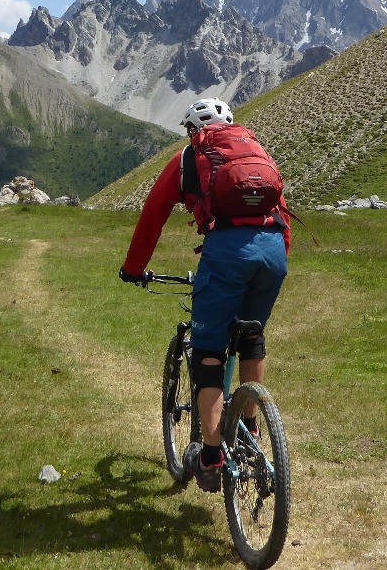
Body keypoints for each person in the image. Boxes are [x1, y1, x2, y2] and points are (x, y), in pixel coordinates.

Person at [118, 97, 291, 492]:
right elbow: (280, 212)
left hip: (226, 253)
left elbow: (153, 214)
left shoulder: (188, 158)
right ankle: (249, 426)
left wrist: (133, 269)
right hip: (273, 254)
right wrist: (272, 262)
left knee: (210, 351)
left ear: (193, 130)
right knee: (251, 335)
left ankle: (211, 457)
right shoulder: (254, 149)